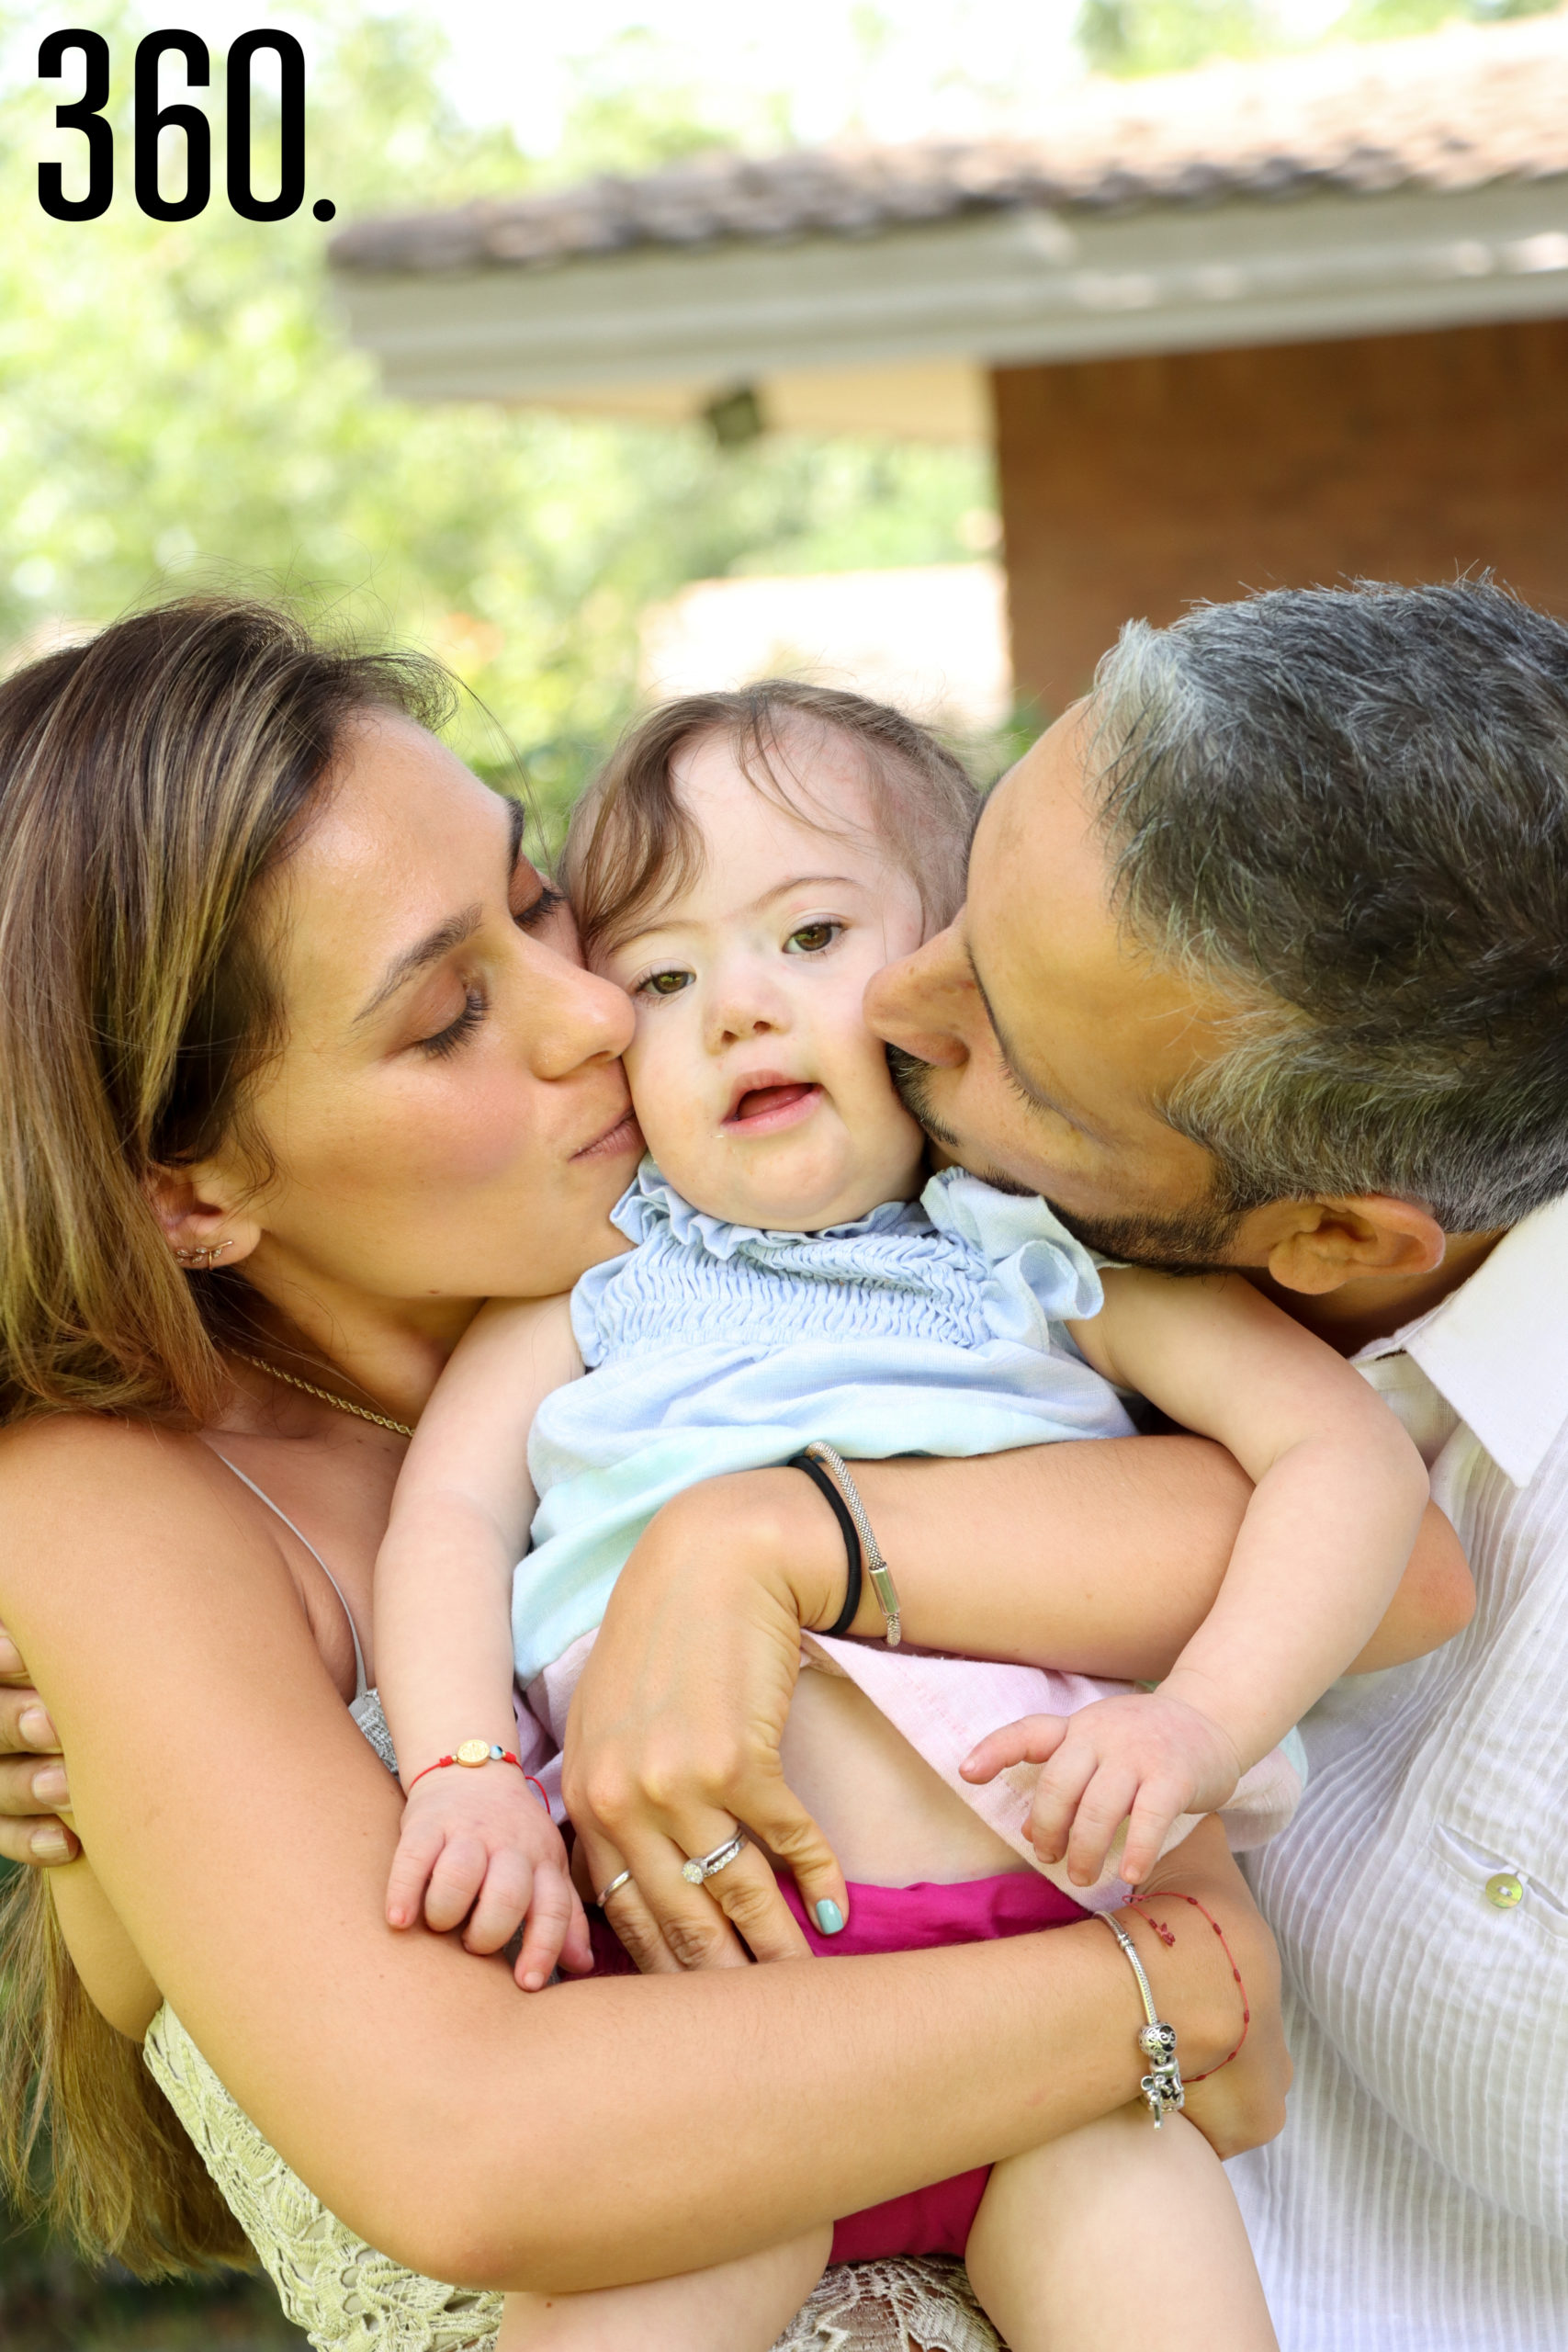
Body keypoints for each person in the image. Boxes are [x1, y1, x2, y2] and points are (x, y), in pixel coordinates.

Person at [0, 594, 1341, 2352]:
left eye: (540, 902)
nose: (589, 1011)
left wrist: (765, 1539)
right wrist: (1163, 1990)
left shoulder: (778, 1250)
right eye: (446, 1015)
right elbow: (473, 2144)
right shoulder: (125, 1507)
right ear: (187, 1192)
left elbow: (1379, 1552)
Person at [539, 579, 1568, 2351]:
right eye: (969, 897)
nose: (890, 998)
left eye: (1000, 1028)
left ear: (1329, 1237)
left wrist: (783, 1539)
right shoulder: (735, 1263)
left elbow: (1387, 1546)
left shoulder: (1101, 1298)